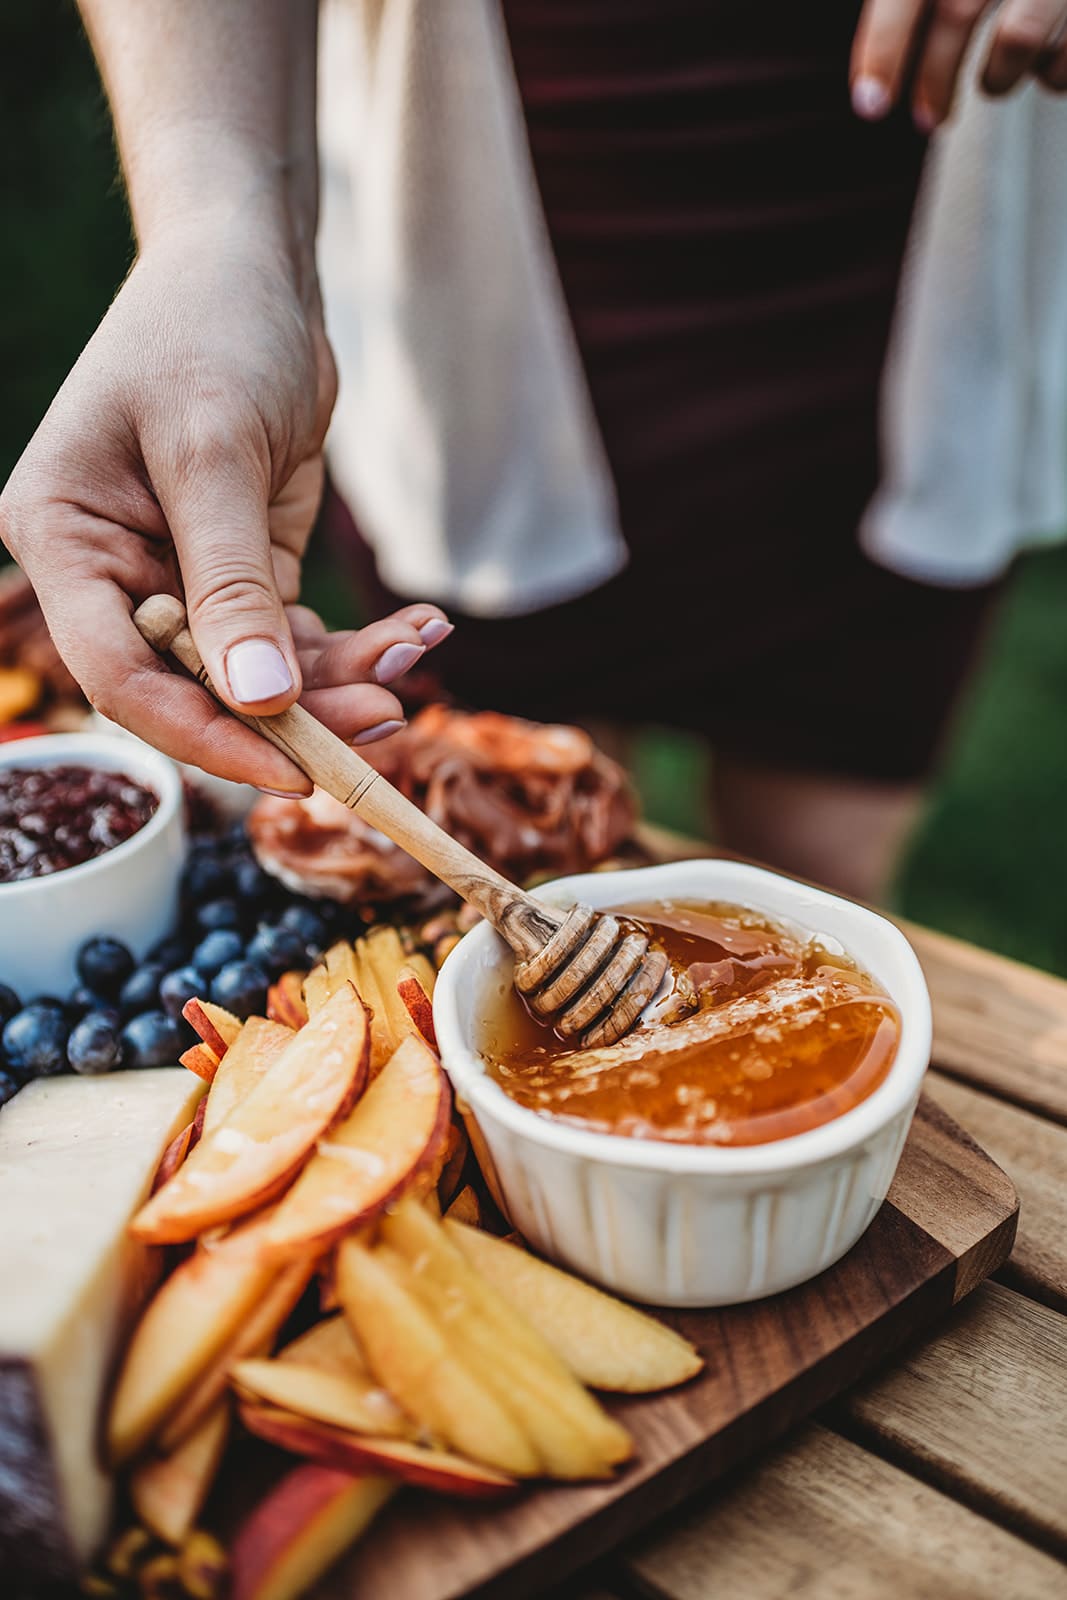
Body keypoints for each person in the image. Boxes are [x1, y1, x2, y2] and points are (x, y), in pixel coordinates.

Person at [2, 1, 1065, 898]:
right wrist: (209, 224)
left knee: (819, 880)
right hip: (469, 305)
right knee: (522, 839)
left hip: (909, 283)